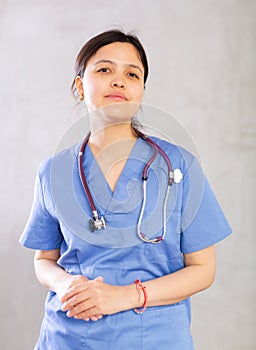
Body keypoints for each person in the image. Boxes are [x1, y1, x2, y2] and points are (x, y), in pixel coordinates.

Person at [19, 29, 232, 350]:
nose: (119, 81)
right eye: (105, 69)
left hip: (154, 338)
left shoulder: (179, 165)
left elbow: (203, 270)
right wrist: (65, 283)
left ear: (141, 90)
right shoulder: (53, 172)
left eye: (132, 74)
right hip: (68, 337)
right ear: (80, 85)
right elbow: (43, 260)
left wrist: (125, 296)